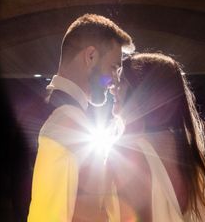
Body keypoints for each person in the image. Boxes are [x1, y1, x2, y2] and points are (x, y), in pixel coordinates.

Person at [27, 14, 134, 222]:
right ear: (91, 56)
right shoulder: (67, 120)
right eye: (114, 67)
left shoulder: (45, 107)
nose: (115, 80)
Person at [106, 53, 205, 222]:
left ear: (143, 93)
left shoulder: (127, 153)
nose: (112, 89)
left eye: (121, 83)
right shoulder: (190, 155)